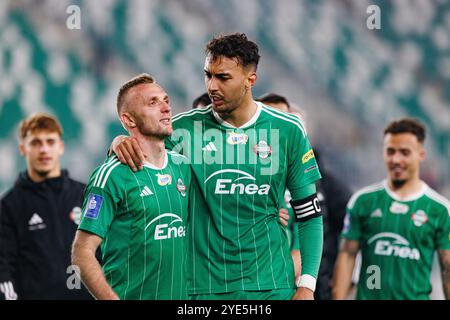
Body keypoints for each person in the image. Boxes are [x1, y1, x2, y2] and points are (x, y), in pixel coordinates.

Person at [111, 33, 324, 300]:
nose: (211, 86)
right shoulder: (183, 130)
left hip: (271, 288)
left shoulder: (287, 130)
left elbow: (309, 216)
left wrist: (306, 285)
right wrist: (121, 140)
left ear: (250, 80)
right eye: (208, 75)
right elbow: (139, 141)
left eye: (223, 77)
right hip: (203, 290)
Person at [71, 73, 191, 300]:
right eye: (152, 103)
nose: (165, 108)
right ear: (129, 120)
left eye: (166, 100)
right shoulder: (112, 175)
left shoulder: (182, 167)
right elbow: (82, 252)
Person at [333, 118, 450, 300]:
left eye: (404, 152)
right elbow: (347, 255)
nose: (396, 159)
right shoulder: (363, 201)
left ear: (421, 154)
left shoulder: (439, 209)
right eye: (390, 151)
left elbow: (447, 267)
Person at [257, 93, 351, 300]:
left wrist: (343, 276)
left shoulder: (325, 183)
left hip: (310, 286)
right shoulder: (244, 176)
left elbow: (351, 230)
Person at [0, 113, 92, 300]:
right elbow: (3, 267)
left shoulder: (85, 195)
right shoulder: (8, 206)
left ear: (61, 147)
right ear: (22, 149)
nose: (44, 149)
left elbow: (105, 252)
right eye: (35, 143)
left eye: (50, 142)